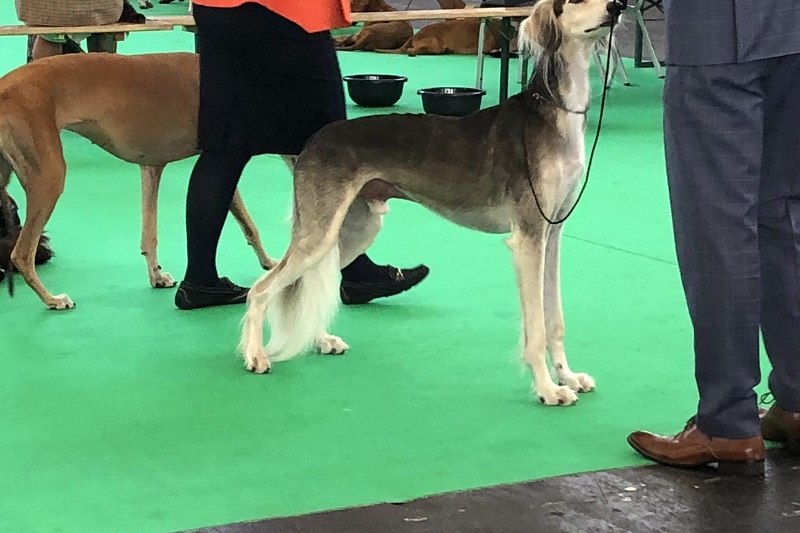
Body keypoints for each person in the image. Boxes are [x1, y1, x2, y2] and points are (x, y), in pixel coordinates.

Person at [627, 0, 800, 475]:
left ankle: (727, 422)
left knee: (716, 223)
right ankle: (796, 399)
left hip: (718, 31)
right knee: (784, 211)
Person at [175, 0, 429, 310]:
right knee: (332, 145)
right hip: (287, 12)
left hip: (219, 11)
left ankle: (199, 279)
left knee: (227, 144)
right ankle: (355, 270)